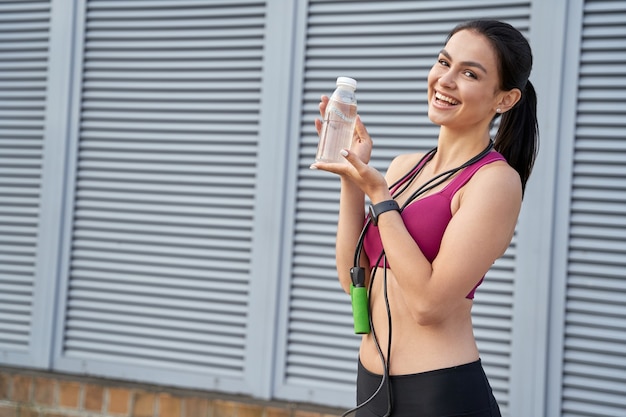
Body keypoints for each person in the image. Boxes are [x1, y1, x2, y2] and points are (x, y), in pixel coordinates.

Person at [310, 20, 538, 417]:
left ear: (505, 99)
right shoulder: (403, 168)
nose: (445, 80)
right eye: (443, 62)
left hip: (438, 393)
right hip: (370, 384)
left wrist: (380, 196)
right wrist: (351, 177)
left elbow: (429, 306)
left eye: (469, 73)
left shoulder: (495, 182)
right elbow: (353, 281)